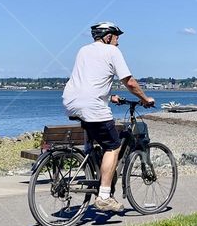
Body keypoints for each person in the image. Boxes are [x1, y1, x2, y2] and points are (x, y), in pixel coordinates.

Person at [62, 22, 154, 213]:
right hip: (92, 105)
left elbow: (89, 79)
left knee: (97, 135)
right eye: (117, 37)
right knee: (113, 146)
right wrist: (145, 99)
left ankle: (90, 159)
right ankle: (104, 196)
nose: (118, 42)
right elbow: (129, 81)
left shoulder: (83, 50)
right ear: (108, 36)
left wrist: (109, 96)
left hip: (71, 101)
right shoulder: (112, 52)